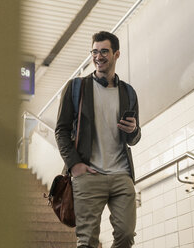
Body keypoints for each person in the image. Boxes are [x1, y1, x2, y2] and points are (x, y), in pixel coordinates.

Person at [55, 31, 141, 248]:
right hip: (89, 174)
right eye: (94, 52)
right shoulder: (76, 88)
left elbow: (134, 137)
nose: (98, 56)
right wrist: (75, 165)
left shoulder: (128, 92)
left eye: (104, 51)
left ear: (116, 54)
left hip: (121, 174)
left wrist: (134, 129)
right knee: (87, 241)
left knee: (126, 235)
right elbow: (61, 130)